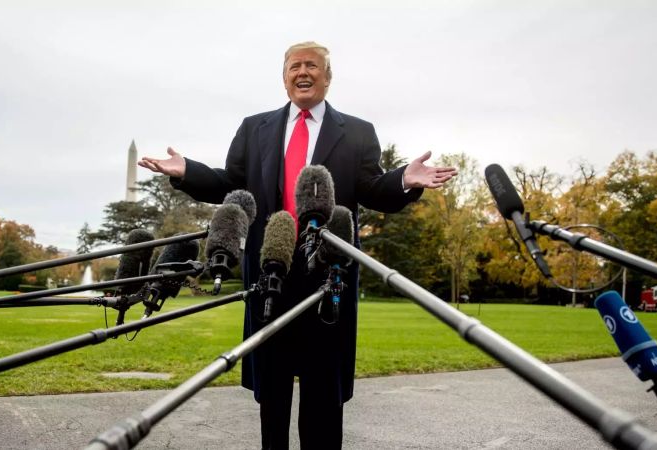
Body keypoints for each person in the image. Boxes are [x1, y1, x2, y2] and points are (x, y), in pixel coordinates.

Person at [139, 41, 456, 449]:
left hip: (328, 275)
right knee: (271, 395)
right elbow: (231, 184)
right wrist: (188, 172)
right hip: (270, 270)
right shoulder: (255, 128)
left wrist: (403, 180)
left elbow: (373, 190)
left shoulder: (357, 132)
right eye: (294, 66)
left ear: (327, 76)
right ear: (284, 76)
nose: (302, 72)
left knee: (324, 394)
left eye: (312, 65)